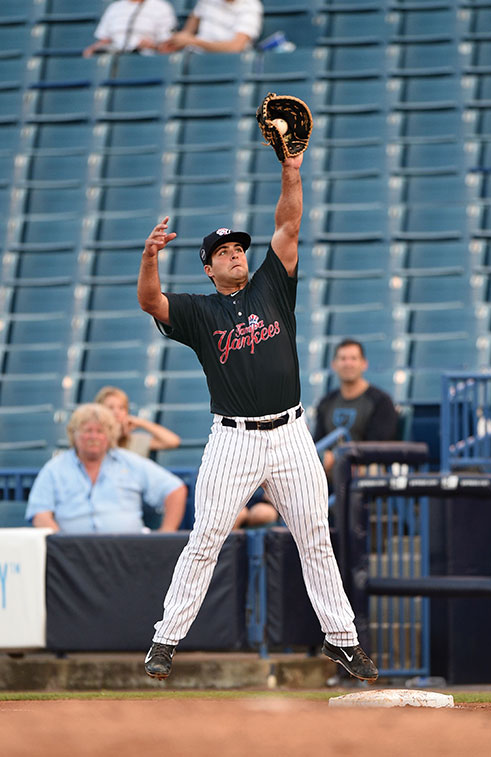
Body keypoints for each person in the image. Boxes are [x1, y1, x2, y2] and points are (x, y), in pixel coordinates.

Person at [137, 151, 378, 683]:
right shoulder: (200, 312)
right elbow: (151, 302)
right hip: (234, 439)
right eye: (223, 252)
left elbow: (289, 223)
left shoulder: (272, 285)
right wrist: (150, 255)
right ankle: (165, 640)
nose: (235, 256)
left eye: (238, 248)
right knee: (206, 540)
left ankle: (342, 641)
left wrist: (291, 170)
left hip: (291, 433)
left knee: (315, 534)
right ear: (208, 267)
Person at [25, 403, 187, 534]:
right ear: (73, 434)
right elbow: (40, 514)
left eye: (100, 431)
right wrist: (61, 547)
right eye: (87, 431)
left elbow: (175, 489)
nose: (93, 437)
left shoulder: (129, 462)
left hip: (127, 555)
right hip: (71, 557)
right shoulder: (54, 468)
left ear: (110, 435)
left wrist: (167, 532)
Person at [313, 339, 399, 477]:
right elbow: (318, 441)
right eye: (343, 359)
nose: (348, 363)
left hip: (366, 466)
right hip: (329, 470)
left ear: (364, 364)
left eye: (353, 358)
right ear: (334, 365)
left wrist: (338, 457)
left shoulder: (381, 401)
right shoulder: (326, 402)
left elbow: (378, 447)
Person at [94, 385, 180, 457]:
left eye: (122, 408)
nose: (116, 412)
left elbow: (173, 441)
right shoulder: (92, 438)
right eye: (110, 407)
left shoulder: (136, 440)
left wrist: (141, 423)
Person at [159, 0, 263, 54]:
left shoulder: (251, 6)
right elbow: (188, 31)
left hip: (227, 62)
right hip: (194, 56)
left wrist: (194, 41)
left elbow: (236, 47)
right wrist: (175, 43)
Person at [82, 0, 177, 57]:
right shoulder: (114, 7)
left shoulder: (161, 7)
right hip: (115, 56)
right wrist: (93, 49)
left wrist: (153, 46)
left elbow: (169, 46)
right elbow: (105, 39)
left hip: (145, 58)